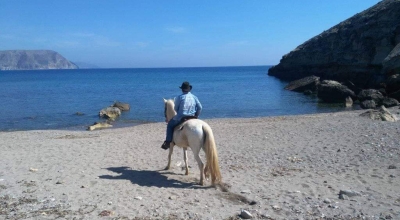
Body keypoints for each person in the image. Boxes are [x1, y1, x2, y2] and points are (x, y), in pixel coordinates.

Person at [161, 81, 202, 150]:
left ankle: (168, 142)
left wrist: (180, 112)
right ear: (189, 89)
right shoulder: (194, 97)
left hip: (182, 117)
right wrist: (196, 115)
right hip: (193, 117)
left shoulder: (179, 97)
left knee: (170, 125)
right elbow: (200, 107)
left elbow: (175, 108)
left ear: (182, 89)